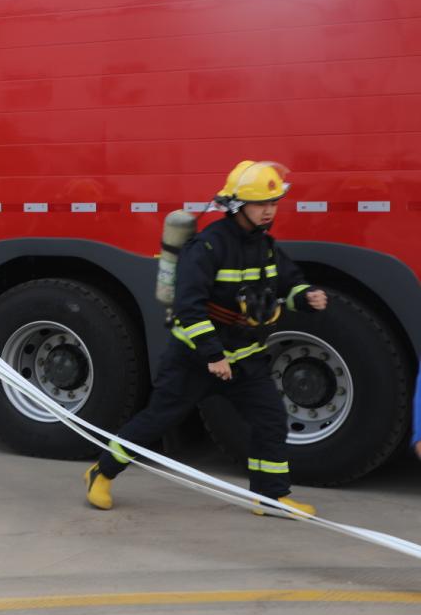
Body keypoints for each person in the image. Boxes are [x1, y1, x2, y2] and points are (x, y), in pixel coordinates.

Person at [84, 161, 327, 515]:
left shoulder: (266, 247)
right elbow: (189, 308)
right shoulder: (208, 247)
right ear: (237, 206)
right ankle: (102, 472)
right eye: (261, 203)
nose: (269, 211)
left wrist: (306, 297)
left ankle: (270, 497)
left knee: (271, 420)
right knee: (158, 420)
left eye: (274, 203)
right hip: (194, 360)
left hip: (246, 357)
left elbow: (287, 284)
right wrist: (214, 355)